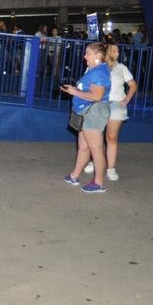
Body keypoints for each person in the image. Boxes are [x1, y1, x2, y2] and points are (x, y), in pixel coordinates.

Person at [62, 42, 112, 194]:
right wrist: (74, 90)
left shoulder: (98, 72)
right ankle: (74, 175)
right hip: (88, 112)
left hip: (93, 112)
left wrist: (74, 92)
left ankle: (98, 182)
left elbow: (97, 96)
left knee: (96, 149)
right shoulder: (96, 70)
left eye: (88, 53)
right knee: (84, 147)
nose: (85, 56)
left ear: (98, 55)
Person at [99, 44, 137, 181]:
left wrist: (127, 99)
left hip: (116, 104)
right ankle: (95, 161)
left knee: (111, 137)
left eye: (118, 51)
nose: (117, 53)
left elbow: (133, 85)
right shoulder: (98, 66)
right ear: (107, 52)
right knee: (96, 135)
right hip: (99, 103)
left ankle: (111, 168)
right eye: (114, 50)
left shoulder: (121, 68)